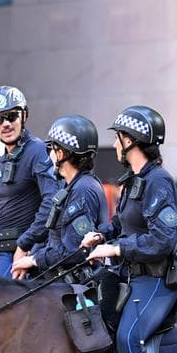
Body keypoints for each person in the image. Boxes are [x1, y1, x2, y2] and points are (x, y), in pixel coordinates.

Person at [81, 106, 177, 353]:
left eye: (118, 137)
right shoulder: (132, 180)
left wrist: (115, 247)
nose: (114, 142)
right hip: (129, 276)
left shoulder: (159, 181)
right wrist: (100, 235)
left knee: (129, 337)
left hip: (156, 279)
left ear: (131, 140)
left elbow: (163, 240)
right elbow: (122, 223)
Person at [0, 85, 57, 277]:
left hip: (21, 255)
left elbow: (52, 202)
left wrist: (25, 244)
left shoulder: (37, 151)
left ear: (24, 116)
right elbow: (1, 213)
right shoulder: (1, 161)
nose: (5, 124)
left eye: (12, 116)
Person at [11, 115, 108, 280]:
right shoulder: (70, 186)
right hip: (56, 277)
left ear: (61, 153)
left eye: (51, 149)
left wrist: (33, 260)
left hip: (70, 287)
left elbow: (76, 250)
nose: (49, 155)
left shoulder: (83, 190)